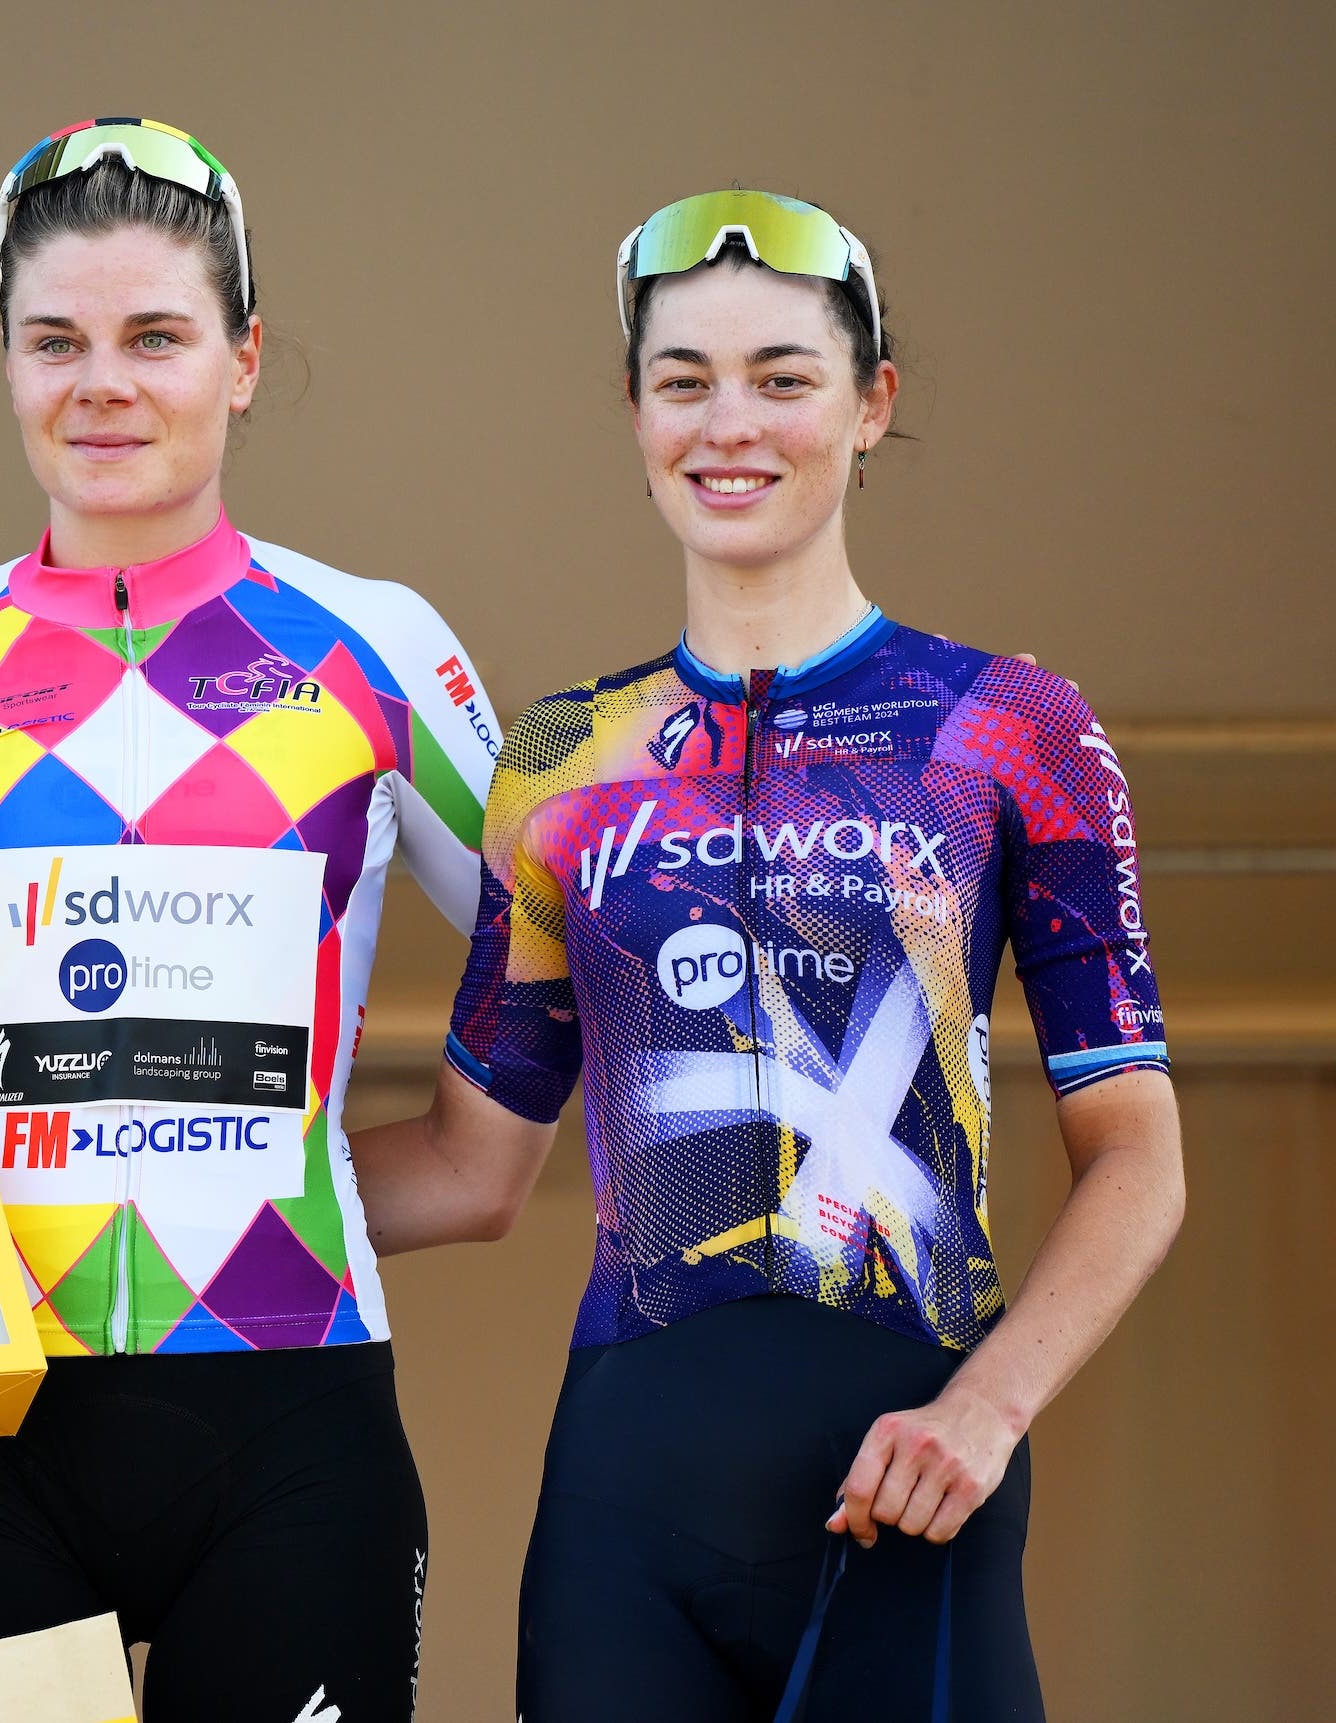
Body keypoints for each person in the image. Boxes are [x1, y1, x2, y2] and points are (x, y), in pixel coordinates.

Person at [348, 190, 1185, 1719]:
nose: (729, 422)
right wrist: (114, 1211)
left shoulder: (1009, 725)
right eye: (685, 379)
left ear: (872, 405)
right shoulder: (558, 757)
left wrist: (987, 1408)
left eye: (783, 377)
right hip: (624, 1511)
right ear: (635, 410)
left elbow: (1139, 1154)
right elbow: (469, 1171)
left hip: (913, 1472)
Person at [0, 119, 502, 1721]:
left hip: (294, 1409)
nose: (103, 384)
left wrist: (470, 1162)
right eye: (55, 340)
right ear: (6, 361)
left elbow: (559, 943)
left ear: (244, 360)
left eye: (156, 337)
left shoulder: (380, 643)